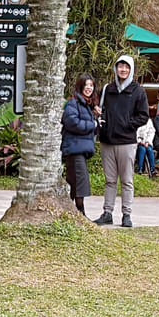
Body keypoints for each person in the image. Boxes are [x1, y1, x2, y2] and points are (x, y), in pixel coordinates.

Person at [96, 53, 148, 228]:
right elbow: (101, 110)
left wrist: (127, 125)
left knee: (126, 180)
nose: (123, 69)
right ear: (115, 68)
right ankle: (107, 213)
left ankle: (126, 214)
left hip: (126, 142)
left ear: (131, 69)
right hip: (107, 141)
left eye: (126, 67)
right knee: (110, 180)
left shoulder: (138, 91)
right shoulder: (108, 89)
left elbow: (144, 116)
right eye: (120, 66)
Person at [61, 75, 99, 215]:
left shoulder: (87, 105)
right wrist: (92, 124)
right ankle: (80, 212)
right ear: (80, 86)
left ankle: (71, 212)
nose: (89, 88)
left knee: (74, 181)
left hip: (80, 149)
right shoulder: (73, 103)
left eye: (91, 85)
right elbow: (72, 123)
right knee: (80, 181)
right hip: (74, 148)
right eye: (86, 85)